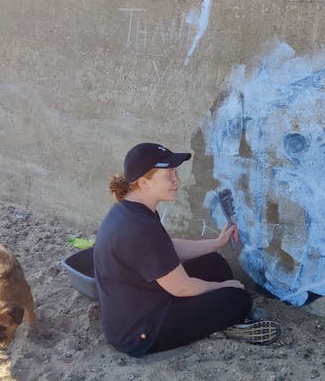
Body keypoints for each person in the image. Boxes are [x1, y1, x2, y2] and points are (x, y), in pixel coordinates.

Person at [93, 142, 280, 357]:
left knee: (214, 263)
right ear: (144, 182)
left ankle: (213, 322)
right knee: (237, 299)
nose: (176, 180)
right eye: (169, 175)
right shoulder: (140, 228)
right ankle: (225, 326)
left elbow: (166, 249)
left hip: (140, 305)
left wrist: (216, 243)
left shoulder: (131, 209)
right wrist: (222, 287)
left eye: (175, 173)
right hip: (140, 332)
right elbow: (182, 288)